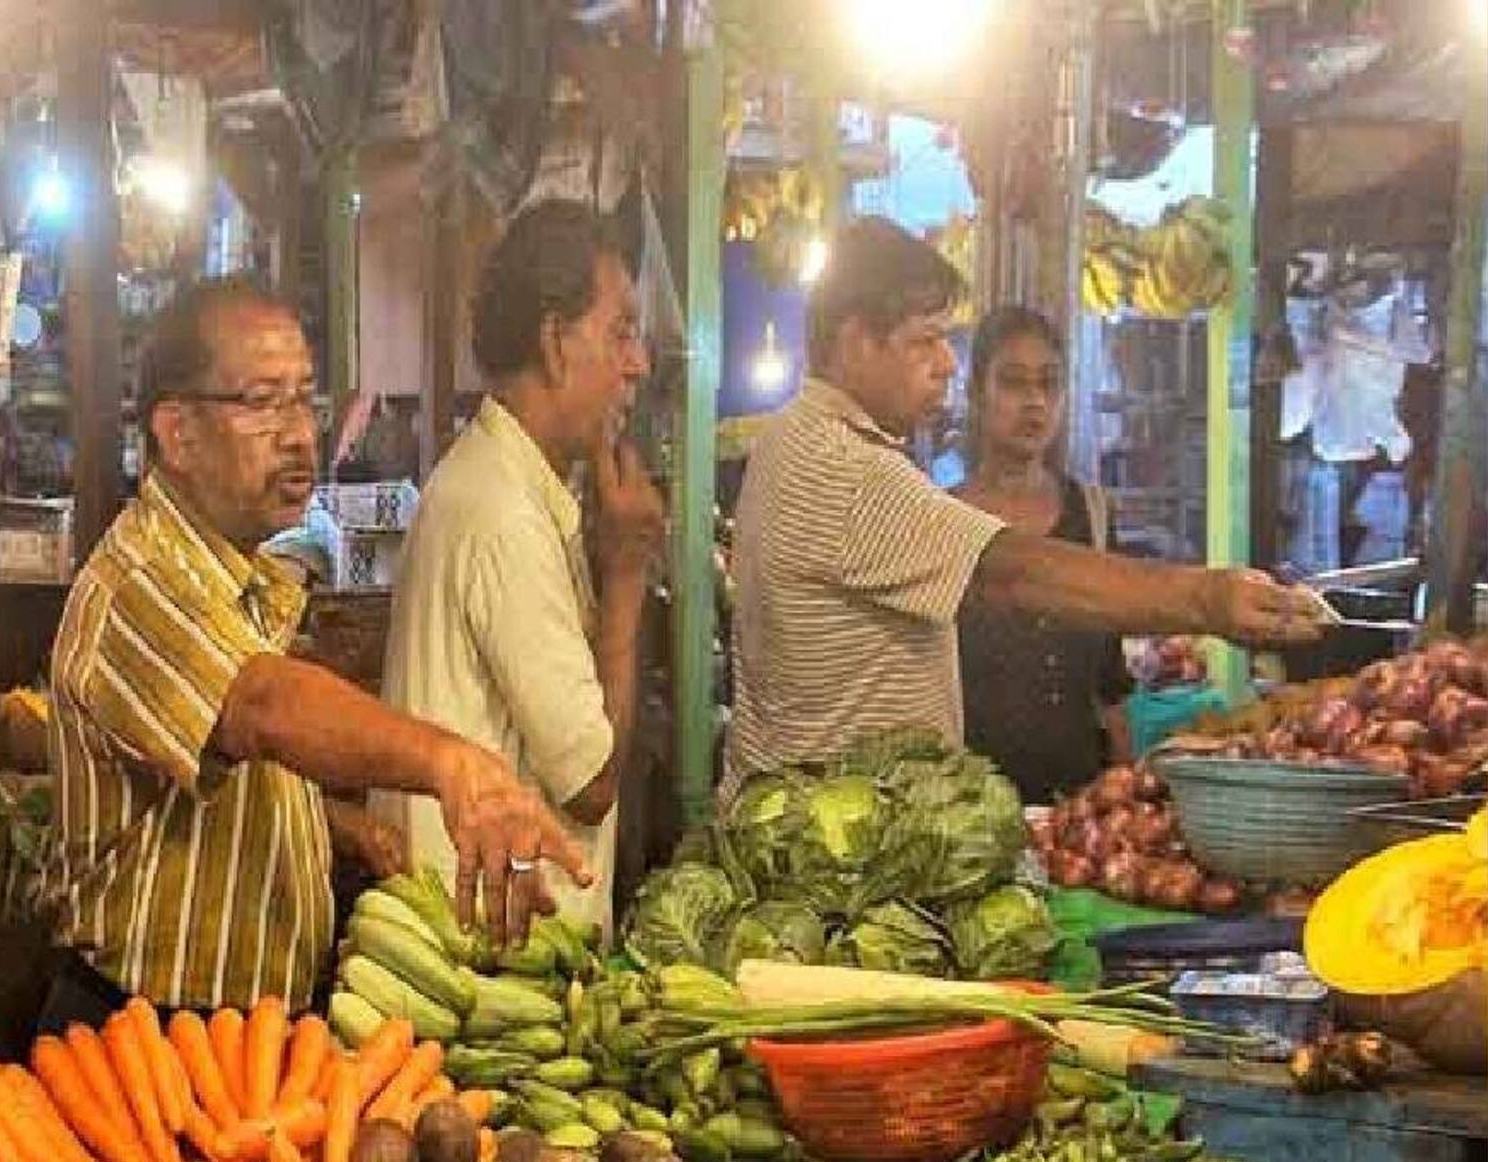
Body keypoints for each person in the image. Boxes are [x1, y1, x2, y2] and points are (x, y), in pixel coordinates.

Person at [44, 278, 587, 1021]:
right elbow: (261, 706)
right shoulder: (138, 582)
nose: (301, 434)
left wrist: (339, 822)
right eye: (263, 402)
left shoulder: (245, 571)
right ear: (178, 432)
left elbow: (211, 777)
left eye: (305, 400)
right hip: (142, 1036)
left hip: (250, 1038)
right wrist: (452, 763)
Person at [725, 218, 1328, 796]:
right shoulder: (844, 466)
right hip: (832, 848)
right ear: (857, 341)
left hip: (830, 827)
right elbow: (1006, 574)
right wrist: (1207, 599)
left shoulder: (795, 437)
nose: (946, 362)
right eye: (925, 340)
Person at [377, 199, 662, 932]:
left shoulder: (509, 482)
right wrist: (627, 579)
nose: (639, 364)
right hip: (489, 966)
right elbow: (590, 781)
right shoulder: (504, 510)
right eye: (621, 332)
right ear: (556, 342)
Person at [954, 306, 1133, 803]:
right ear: (976, 393)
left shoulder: (1091, 514)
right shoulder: (941, 521)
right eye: (1012, 382)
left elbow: (1110, 680)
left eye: (1049, 383)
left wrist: (1126, 788)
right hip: (969, 807)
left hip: (1078, 801)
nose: (1034, 402)